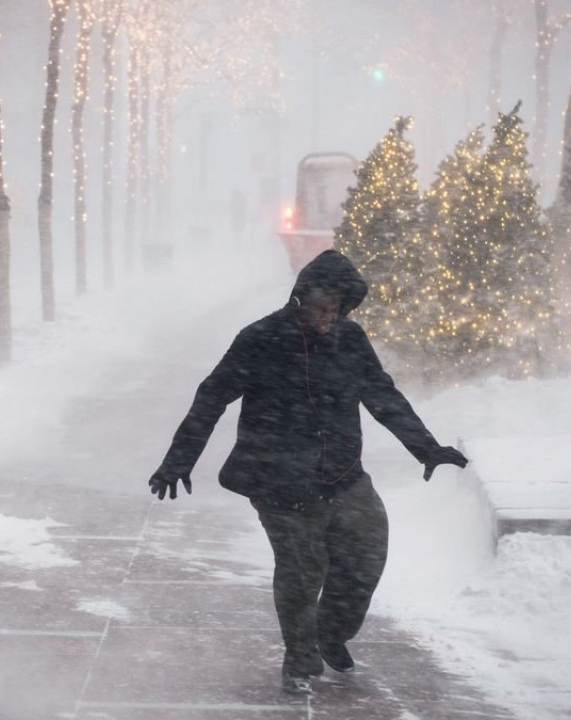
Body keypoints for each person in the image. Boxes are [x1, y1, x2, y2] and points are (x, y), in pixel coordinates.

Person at [148, 250, 467, 695]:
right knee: (302, 570)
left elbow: (382, 396)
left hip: (343, 475)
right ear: (299, 298)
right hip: (279, 483)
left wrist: (426, 448)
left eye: (337, 308)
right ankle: (300, 658)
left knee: (366, 556)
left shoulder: (350, 339)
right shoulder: (260, 338)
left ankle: (330, 633)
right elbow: (211, 397)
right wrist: (178, 461)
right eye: (322, 307)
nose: (328, 317)